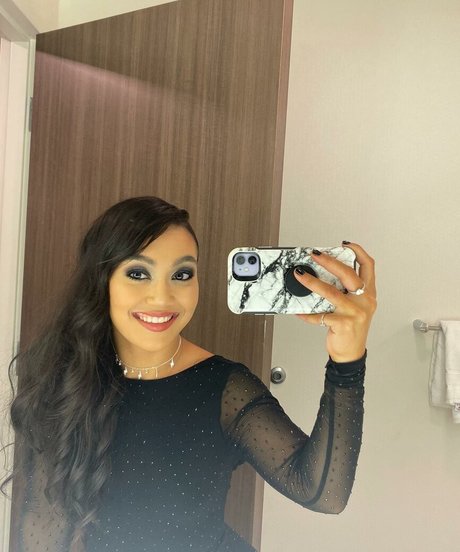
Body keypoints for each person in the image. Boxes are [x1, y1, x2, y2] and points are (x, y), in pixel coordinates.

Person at [2, 196, 376, 552]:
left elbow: (322, 492)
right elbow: (42, 526)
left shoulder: (225, 388)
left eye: (182, 274)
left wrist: (347, 362)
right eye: (138, 273)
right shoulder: (63, 379)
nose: (162, 297)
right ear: (102, 280)